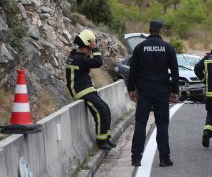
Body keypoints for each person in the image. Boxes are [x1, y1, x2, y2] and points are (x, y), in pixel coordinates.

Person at [127, 19, 179, 167]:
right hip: (162, 91)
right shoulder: (168, 48)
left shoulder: (140, 47)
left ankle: (136, 158)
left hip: (144, 91)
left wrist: (131, 89)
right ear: (161, 30)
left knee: (141, 123)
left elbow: (133, 71)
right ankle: (164, 158)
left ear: (149, 29)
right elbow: (175, 71)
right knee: (162, 124)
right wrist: (175, 90)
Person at [65, 29, 116, 151]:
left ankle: (106, 138)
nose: (90, 52)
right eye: (90, 49)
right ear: (87, 47)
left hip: (86, 89)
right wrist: (95, 47)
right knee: (101, 111)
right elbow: (98, 62)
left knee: (106, 109)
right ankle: (101, 141)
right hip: (81, 91)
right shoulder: (79, 59)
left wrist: (91, 47)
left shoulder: (76, 56)